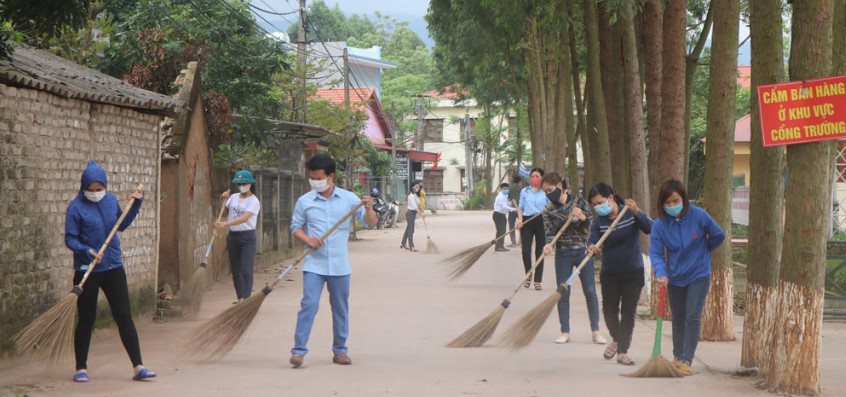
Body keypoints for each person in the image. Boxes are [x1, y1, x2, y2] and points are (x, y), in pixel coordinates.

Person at [64, 160, 155, 382]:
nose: (95, 193)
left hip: (113, 266)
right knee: (87, 318)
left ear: (105, 186)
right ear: (83, 188)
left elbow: (121, 225)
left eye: (99, 189)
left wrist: (136, 205)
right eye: (91, 190)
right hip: (88, 269)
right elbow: (70, 239)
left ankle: (138, 366)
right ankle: (81, 369)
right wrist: (87, 251)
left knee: (124, 316)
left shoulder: (111, 201)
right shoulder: (75, 208)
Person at [289, 154, 377, 368]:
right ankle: (298, 352)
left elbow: (369, 224)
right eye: (312, 178)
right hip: (314, 265)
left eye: (318, 178)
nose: (315, 182)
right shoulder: (305, 201)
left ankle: (340, 351)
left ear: (331, 177)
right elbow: (295, 228)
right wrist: (308, 239)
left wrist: (368, 208)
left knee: (340, 308)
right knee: (308, 305)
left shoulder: (349, 199)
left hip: (339, 266)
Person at [649, 179, 725, 376]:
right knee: (679, 317)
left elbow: (718, 235)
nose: (672, 206)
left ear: (684, 199)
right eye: (667, 203)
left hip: (698, 273)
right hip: (674, 276)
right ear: (662, 204)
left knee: (692, 315)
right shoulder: (659, 225)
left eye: (675, 201)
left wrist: (705, 250)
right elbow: (656, 253)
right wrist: (661, 272)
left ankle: (687, 360)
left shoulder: (699, 216)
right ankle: (677, 356)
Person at [586, 183, 652, 366]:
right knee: (609, 312)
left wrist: (637, 211)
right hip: (610, 273)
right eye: (595, 204)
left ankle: (622, 351)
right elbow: (591, 241)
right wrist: (592, 248)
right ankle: (616, 338)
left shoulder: (628, 213)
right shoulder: (598, 223)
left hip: (633, 271)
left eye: (600, 202)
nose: (598, 206)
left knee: (628, 312)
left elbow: (650, 227)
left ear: (611, 198)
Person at [541, 172, 607, 345]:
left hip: (583, 252)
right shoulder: (548, 210)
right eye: (545, 192)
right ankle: (565, 332)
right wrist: (548, 245)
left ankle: (596, 331)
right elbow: (549, 233)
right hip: (563, 253)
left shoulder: (579, 201)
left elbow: (592, 226)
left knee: (590, 291)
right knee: (562, 292)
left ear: (560, 186)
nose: (548, 194)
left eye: (550, 190)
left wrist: (583, 218)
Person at [214, 170, 260, 304]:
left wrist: (225, 224)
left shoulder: (254, 201)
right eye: (239, 183)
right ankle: (240, 298)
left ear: (250, 184)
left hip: (247, 237)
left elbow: (244, 218)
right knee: (236, 270)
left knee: (246, 269)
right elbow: (224, 213)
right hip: (233, 236)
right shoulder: (233, 197)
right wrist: (222, 200)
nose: (241, 186)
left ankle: (246, 299)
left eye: (244, 183)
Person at [516, 168, 550, 290]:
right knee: (525, 251)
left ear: (542, 178)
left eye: (537, 176)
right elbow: (520, 208)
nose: (534, 178)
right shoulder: (525, 191)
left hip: (541, 222)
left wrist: (547, 210)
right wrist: (520, 220)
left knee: (539, 252)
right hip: (527, 222)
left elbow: (550, 206)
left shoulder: (546, 192)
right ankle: (528, 275)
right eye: (532, 176)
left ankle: (537, 280)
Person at [401, 181, 425, 252]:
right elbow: (414, 207)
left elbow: (419, 204)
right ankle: (412, 246)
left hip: (413, 213)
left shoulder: (416, 195)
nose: (417, 188)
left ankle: (403, 243)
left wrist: (423, 212)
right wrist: (421, 213)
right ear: (412, 187)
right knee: (411, 230)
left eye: (418, 187)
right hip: (410, 213)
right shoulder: (411, 196)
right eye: (415, 187)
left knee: (409, 228)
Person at [492, 182, 516, 252]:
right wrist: (514, 209)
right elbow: (504, 206)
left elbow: (507, 204)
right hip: (498, 215)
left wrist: (511, 202)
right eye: (505, 189)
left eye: (507, 189)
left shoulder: (504, 196)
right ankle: (498, 246)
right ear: (501, 189)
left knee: (503, 231)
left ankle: (501, 245)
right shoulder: (500, 197)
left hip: (502, 215)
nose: (506, 190)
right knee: (500, 231)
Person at [507, 175, 523, 247]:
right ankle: (521, 242)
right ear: (520, 181)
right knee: (522, 225)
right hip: (521, 209)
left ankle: (513, 242)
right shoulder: (522, 189)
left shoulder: (510, 188)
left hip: (512, 209)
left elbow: (509, 198)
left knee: (511, 225)